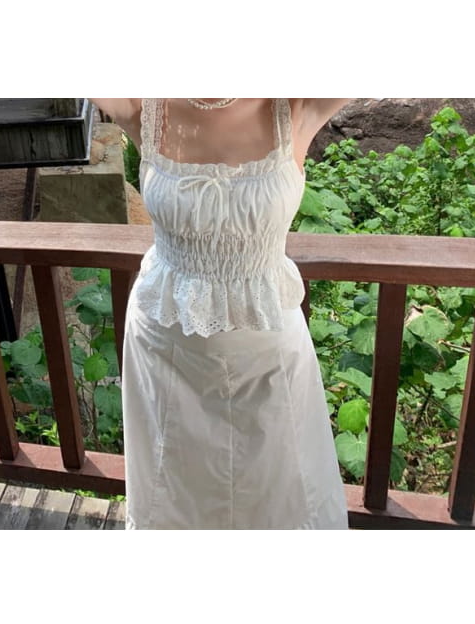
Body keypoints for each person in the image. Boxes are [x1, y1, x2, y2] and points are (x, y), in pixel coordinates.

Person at [89, 98, 351, 529]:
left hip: (268, 359)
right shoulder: (144, 107)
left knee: (284, 498)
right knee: (172, 499)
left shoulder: (296, 105)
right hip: (167, 351)